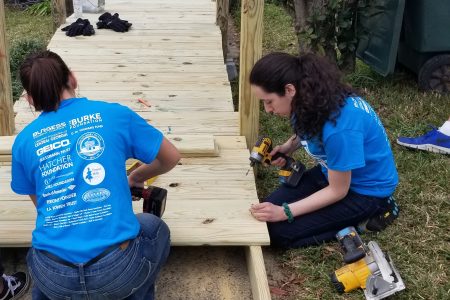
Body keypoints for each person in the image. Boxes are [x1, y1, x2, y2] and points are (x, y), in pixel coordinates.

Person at [10, 50, 180, 299]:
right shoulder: (114, 115)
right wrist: (135, 177)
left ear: (31, 100)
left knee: (46, 276)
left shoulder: (24, 142)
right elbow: (170, 157)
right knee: (154, 227)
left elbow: (42, 204)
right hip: (115, 272)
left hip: (53, 275)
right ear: (73, 79)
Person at [248, 52, 399, 248]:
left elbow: (338, 191)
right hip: (332, 172)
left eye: (269, 101)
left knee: (277, 233)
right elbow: (304, 130)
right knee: (266, 212)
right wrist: (288, 147)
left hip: (365, 192)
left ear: (289, 90)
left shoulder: (340, 130)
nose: (267, 109)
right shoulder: (309, 99)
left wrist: (284, 212)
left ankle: (374, 214)